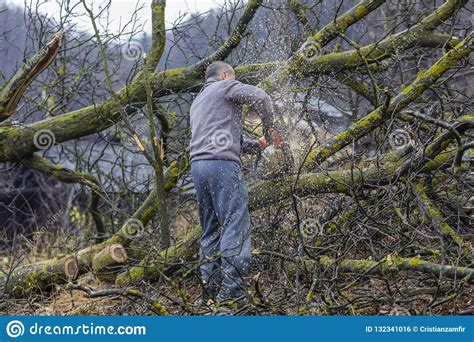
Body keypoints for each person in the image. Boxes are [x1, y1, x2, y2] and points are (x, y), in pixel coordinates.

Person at [189, 61, 283, 305]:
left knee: (210, 229)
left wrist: (258, 144)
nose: (233, 81)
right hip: (221, 165)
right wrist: (271, 127)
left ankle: (210, 293)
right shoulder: (224, 86)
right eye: (232, 78)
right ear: (224, 75)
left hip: (199, 167)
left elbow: (227, 136)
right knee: (234, 225)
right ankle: (233, 297)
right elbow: (261, 97)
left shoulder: (199, 101)